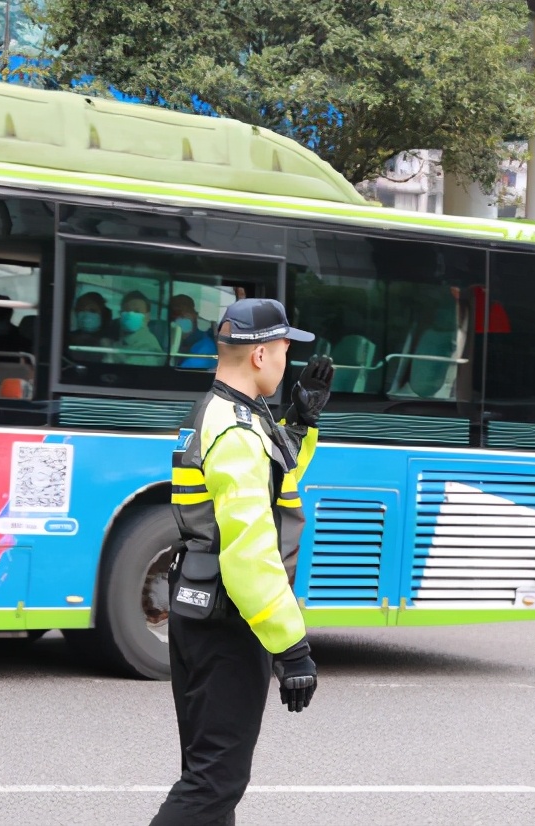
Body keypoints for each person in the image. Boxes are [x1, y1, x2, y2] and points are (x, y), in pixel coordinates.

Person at [152, 298, 333, 826]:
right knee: (214, 783)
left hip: (203, 608)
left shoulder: (229, 413)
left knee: (210, 781)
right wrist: (291, 647)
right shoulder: (236, 431)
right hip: (229, 621)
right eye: (283, 350)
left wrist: (301, 422)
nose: (286, 361)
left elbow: (274, 477)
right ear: (259, 355)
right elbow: (250, 549)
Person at [105, 290, 166, 366]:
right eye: (126, 311)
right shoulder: (122, 340)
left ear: (147, 317)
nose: (130, 315)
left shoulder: (149, 346)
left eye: (137, 311)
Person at [168, 293, 218, 369]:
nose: (178, 320)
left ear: (195, 315)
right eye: (174, 316)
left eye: (184, 315)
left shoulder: (206, 348)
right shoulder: (168, 341)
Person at [68, 291, 112, 362]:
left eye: (92, 310)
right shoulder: (68, 337)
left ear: (102, 313)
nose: (85, 314)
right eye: (80, 310)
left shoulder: (110, 340)